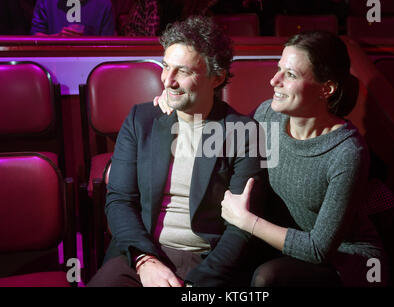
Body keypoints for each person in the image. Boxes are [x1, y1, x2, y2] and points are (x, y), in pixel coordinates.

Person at [87, 15, 266, 287]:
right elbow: (119, 200)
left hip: (207, 261)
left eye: (182, 71)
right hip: (142, 252)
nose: (167, 80)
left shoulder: (243, 131)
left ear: (216, 77)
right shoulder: (141, 120)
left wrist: (198, 282)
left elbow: (241, 228)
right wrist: (144, 260)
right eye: (165, 66)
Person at [218, 31, 388, 287]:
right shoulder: (268, 115)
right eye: (279, 69)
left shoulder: (347, 152)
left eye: (291, 75)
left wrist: (247, 221)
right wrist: (176, 105)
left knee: (268, 279)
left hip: (345, 260)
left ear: (326, 88)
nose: (274, 80)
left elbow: (319, 249)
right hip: (283, 245)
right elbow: (222, 139)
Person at [30, 0, 115, 36]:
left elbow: (108, 46)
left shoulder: (104, 4)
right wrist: (58, 39)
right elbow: (35, 40)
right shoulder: (46, 2)